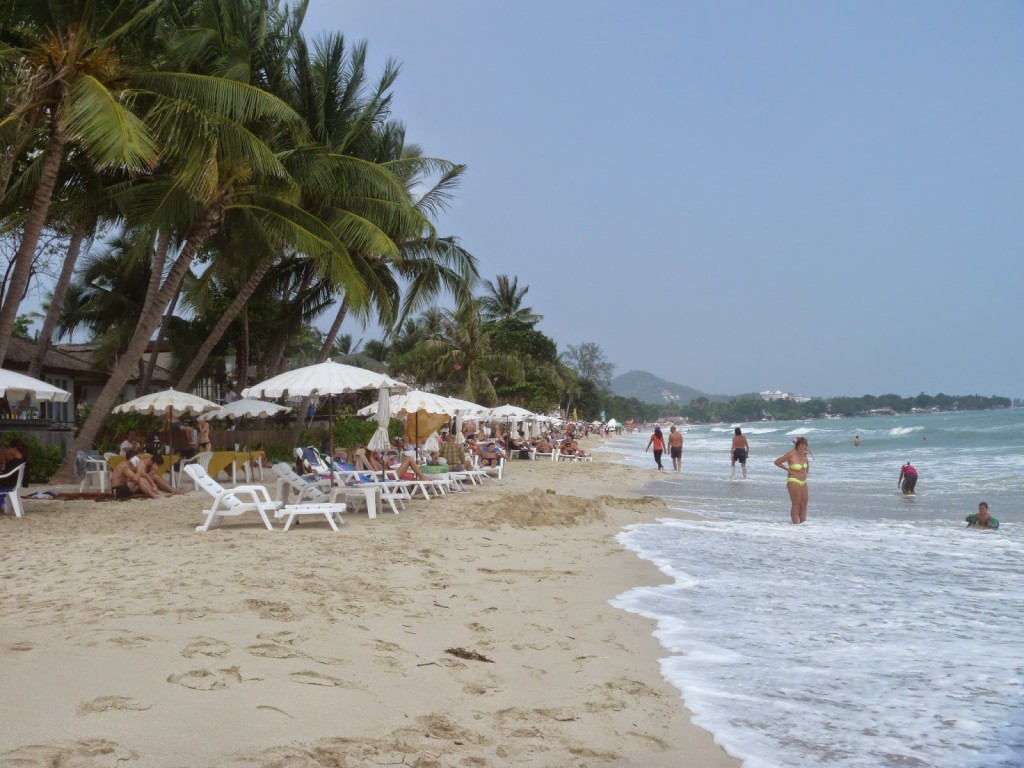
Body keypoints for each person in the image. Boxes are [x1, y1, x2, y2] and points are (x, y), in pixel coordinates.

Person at [774, 437, 811, 524]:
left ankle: (803, 523)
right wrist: (788, 469)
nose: (806, 446)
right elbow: (777, 462)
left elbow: (807, 465)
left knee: (804, 503)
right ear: (800, 445)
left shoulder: (804, 454)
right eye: (805, 444)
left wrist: (807, 472)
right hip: (793, 480)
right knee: (796, 503)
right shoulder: (791, 454)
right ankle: (795, 524)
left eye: (806, 444)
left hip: (803, 481)